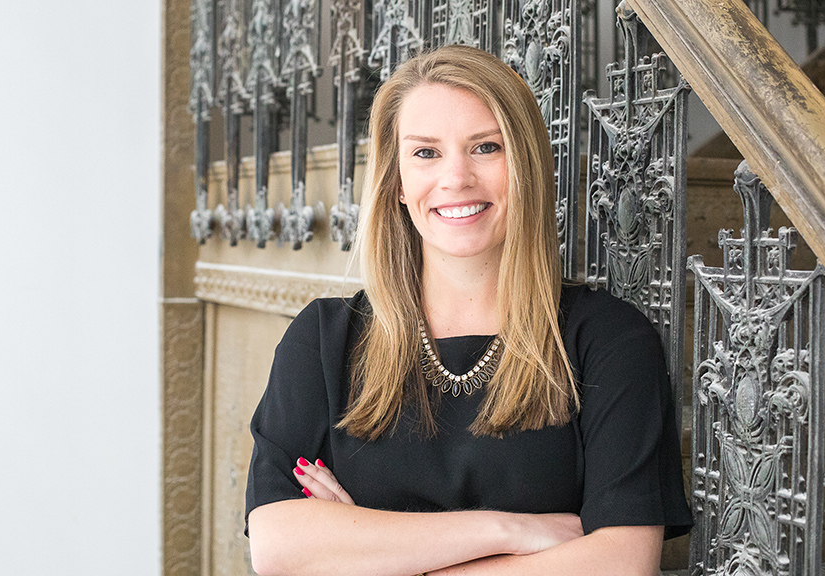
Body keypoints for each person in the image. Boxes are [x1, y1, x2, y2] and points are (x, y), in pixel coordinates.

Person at [245, 44, 692, 576]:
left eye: (485, 147)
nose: (456, 178)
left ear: (525, 166)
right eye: (426, 153)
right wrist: (511, 530)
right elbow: (276, 546)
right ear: (397, 185)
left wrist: (372, 553)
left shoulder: (609, 341)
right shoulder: (323, 340)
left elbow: (620, 565)